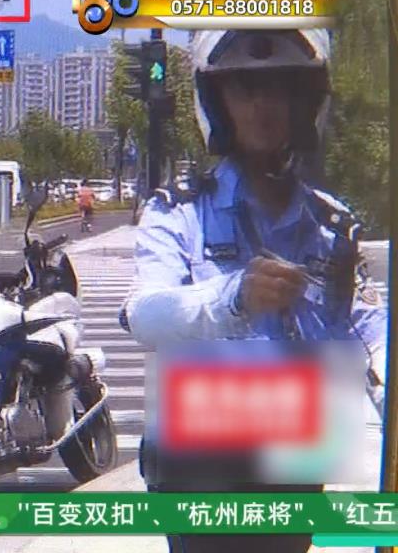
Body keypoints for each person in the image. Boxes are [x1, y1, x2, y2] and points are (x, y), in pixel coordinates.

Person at [120, 29, 387, 553]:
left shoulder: (330, 224)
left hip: (297, 457)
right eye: (246, 89)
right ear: (217, 101)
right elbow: (146, 315)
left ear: (306, 100)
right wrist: (233, 298)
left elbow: (369, 330)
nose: (264, 105)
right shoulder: (178, 212)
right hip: (203, 462)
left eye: (281, 87)